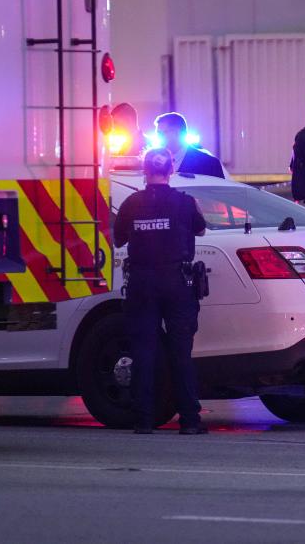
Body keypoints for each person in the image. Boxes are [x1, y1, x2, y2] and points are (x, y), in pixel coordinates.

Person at [113, 148, 208, 435]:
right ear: (170, 172)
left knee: (144, 351)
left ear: (144, 171)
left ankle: (143, 420)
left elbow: (118, 239)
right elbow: (201, 230)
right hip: (177, 281)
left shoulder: (131, 203)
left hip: (142, 282)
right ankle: (190, 421)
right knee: (181, 352)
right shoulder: (185, 202)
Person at [154, 112, 227, 179]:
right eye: (157, 134)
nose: (158, 137)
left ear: (177, 133)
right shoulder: (152, 161)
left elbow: (218, 192)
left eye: (160, 133)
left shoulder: (209, 163)